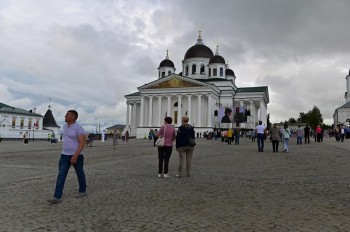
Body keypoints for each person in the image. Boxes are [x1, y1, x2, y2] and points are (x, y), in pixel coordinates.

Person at [47, 110, 87, 204]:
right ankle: (57, 197)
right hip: (64, 155)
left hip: (77, 155)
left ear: (72, 117)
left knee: (80, 173)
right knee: (61, 175)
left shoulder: (78, 128)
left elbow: (82, 143)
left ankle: (82, 190)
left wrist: (75, 155)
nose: (65, 116)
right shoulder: (64, 127)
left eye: (67, 115)